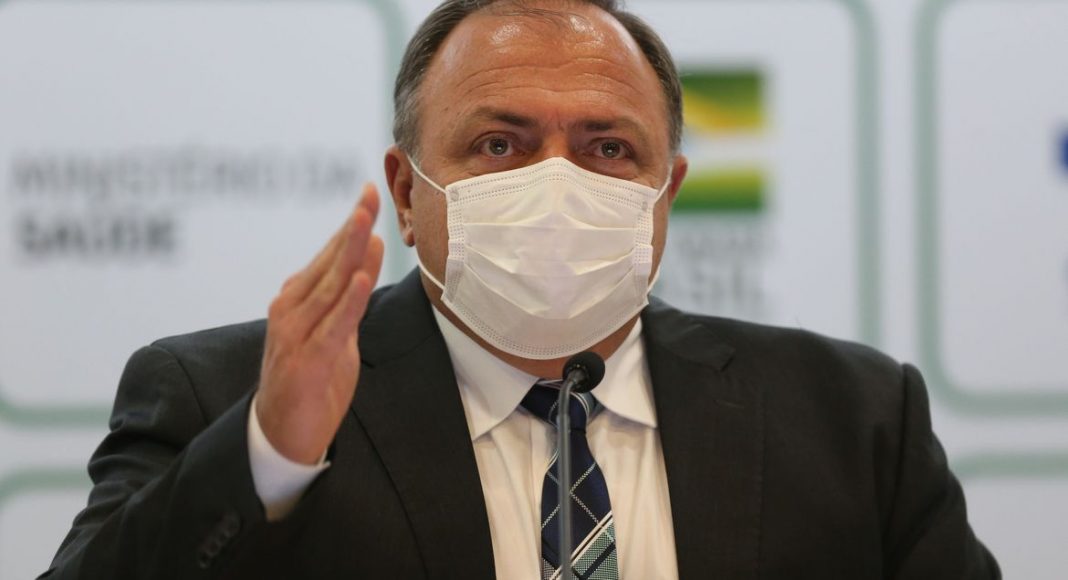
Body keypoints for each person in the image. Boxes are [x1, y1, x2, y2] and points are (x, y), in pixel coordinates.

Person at [41, 1, 999, 578]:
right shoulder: (224, 397)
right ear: (409, 193)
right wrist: (269, 457)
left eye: (607, 149)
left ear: (664, 195)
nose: (557, 182)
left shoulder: (854, 421)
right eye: (500, 144)